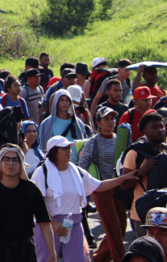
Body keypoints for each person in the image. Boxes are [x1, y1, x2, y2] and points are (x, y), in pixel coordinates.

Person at [30, 135, 138, 262]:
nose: (69, 151)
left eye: (69, 148)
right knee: (46, 259)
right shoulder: (41, 173)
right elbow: (37, 203)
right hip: (47, 225)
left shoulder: (77, 171)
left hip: (73, 223)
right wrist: (53, 223)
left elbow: (99, 185)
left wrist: (123, 178)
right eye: (64, 148)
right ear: (54, 152)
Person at [0, 144, 55, 262]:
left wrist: (52, 253)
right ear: (0, 163)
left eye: (15, 160)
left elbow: (44, 222)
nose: (11, 163)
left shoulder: (31, 190)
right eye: (6, 159)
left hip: (25, 251)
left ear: (21, 165)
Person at [80, 107, 129, 262]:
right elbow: (82, 166)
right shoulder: (93, 142)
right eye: (106, 119)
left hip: (119, 188)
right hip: (101, 190)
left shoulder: (121, 139)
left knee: (121, 228)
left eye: (113, 118)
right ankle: (120, 259)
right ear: (98, 122)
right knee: (113, 228)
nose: (110, 122)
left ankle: (99, 258)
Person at [122, 110, 167, 237]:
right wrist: (141, 172)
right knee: (148, 253)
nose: (160, 130)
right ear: (144, 131)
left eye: (161, 126)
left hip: (164, 211)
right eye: (154, 127)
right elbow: (124, 185)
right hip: (143, 214)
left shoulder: (166, 150)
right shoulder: (136, 153)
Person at [38, 89, 89, 163]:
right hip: (55, 164)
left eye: (67, 100)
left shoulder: (79, 123)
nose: (65, 103)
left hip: (76, 164)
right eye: (61, 100)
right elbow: (42, 145)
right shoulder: (47, 123)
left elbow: (83, 144)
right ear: (56, 102)